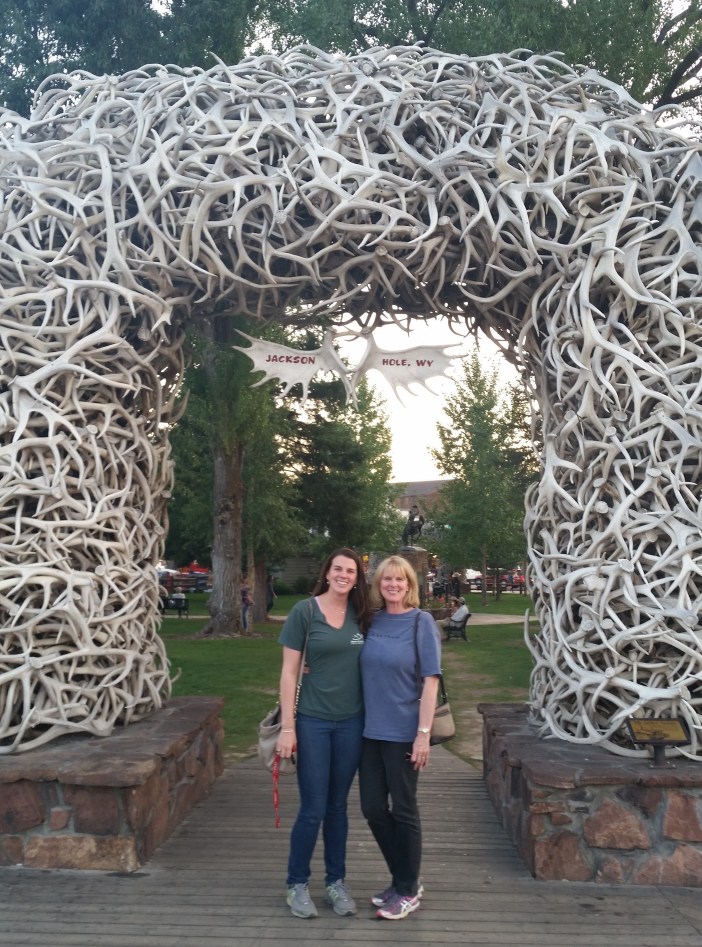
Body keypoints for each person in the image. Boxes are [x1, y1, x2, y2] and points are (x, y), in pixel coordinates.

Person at [276, 548, 371, 920]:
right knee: (313, 808)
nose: (344, 575)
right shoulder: (305, 612)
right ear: (327, 573)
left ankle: (336, 882)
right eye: (338, 569)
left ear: (357, 578)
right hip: (312, 722)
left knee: (337, 807)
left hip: (352, 723)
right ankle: (297, 884)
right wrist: (288, 727)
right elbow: (289, 672)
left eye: (351, 571)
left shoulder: (363, 616)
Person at [359, 554, 441, 921]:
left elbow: (431, 681)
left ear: (410, 585)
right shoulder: (370, 621)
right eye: (386, 579)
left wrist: (423, 735)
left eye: (400, 579)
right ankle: (404, 879)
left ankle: (407, 890)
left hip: (404, 733)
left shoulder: (421, 622)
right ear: (378, 584)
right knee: (373, 809)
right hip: (368, 732)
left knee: (404, 810)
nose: (393, 585)